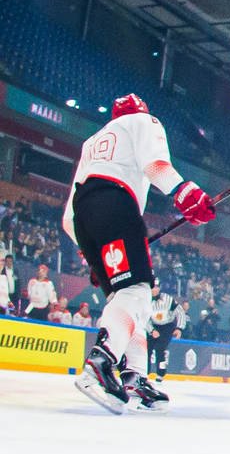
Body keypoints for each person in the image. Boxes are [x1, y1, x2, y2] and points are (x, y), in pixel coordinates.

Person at [64, 93, 216, 413]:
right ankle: (102, 362)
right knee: (137, 290)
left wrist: (89, 252)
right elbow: (156, 164)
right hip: (116, 203)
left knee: (131, 300)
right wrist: (184, 191)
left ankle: (134, 376)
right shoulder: (144, 122)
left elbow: (68, 217)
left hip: (84, 215)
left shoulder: (92, 142)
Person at [150, 283, 182, 382]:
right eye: (152, 287)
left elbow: (180, 312)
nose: (154, 289)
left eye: (156, 287)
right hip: (153, 325)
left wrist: (179, 328)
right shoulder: (145, 300)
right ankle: (144, 373)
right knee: (148, 348)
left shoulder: (167, 299)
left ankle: (161, 372)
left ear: (159, 288)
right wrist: (151, 330)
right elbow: (143, 318)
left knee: (160, 348)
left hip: (167, 326)